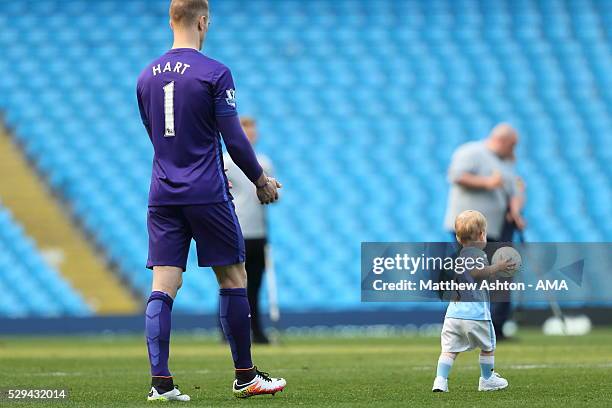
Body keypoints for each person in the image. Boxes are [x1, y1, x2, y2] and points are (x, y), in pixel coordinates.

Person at [136, 0, 286, 401]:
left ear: (171, 20)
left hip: (162, 192)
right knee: (233, 278)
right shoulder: (214, 71)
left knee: (163, 285)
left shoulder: (146, 75)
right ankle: (245, 376)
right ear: (203, 21)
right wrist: (260, 181)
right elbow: (234, 139)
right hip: (206, 191)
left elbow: (155, 134)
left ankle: (161, 383)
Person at [444, 123, 526, 339]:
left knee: (502, 274)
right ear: (501, 140)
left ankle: (496, 327)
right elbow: (456, 176)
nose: (514, 150)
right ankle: (466, 326)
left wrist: (516, 209)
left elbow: (516, 188)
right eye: (513, 145)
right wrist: (488, 182)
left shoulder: (507, 162)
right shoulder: (471, 151)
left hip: (499, 225)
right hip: (471, 225)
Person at [432, 210, 514, 393]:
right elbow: (478, 273)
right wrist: (497, 267)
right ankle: (487, 379)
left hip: (453, 314)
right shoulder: (476, 254)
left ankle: (440, 380)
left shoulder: (458, 256)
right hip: (475, 315)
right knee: (488, 347)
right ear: (482, 235)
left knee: (449, 350)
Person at [224, 117, 275, 344]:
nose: (251, 133)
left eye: (253, 128)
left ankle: (255, 330)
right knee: (233, 282)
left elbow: (273, 194)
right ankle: (230, 331)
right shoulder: (225, 160)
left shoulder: (263, 162)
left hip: (259, 231)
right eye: (245, 129)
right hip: (238, 229)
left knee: (253, 285)